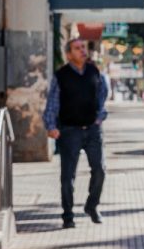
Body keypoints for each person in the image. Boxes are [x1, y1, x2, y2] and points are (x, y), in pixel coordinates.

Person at [45, 38, 108, 228]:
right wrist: (50, 126)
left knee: (100, 170)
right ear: (69, 54)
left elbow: (102, 97)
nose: (82, 50)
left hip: (92, 130)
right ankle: (68, 215)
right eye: (77, 48)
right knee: (67, 176)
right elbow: (53, 103)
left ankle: (92, 206)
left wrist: (99, 116)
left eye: (83, 47)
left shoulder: (94, 71)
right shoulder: (61, 75)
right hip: (69, 131)